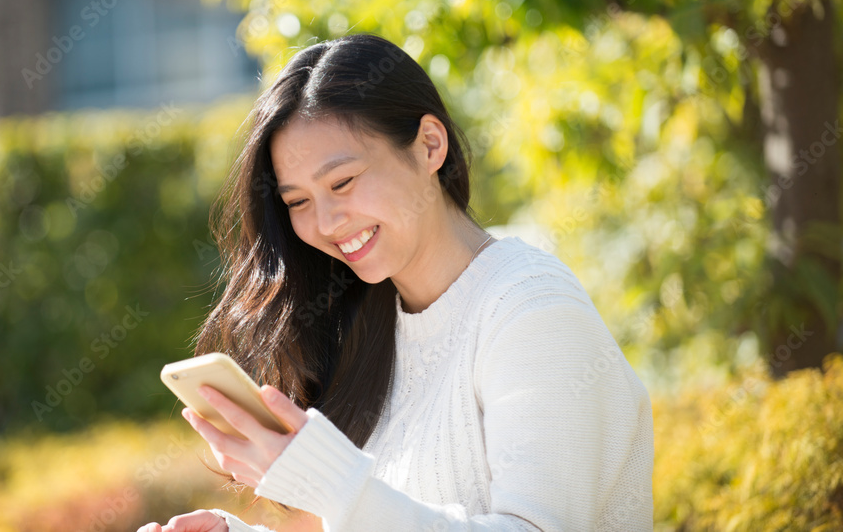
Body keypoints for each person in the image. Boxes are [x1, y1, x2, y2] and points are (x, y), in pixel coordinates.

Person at [136, 34, 654, 532]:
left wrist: (332, 482)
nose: (327, 222)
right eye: (297, 202)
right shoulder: (373, 320)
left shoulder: (533, 312)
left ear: (430, 145)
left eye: (343, 182)